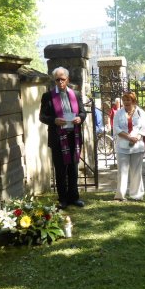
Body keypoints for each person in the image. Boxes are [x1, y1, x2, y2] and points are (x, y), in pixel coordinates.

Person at [39, 66, 86, 210]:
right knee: (60, 170)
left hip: (74, 136)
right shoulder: (48, 96)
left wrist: (79, 118)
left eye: (62, 79)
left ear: (68, 80)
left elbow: (83, 112)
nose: (60, 82)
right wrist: (54, 120)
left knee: (73, 168)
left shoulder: (76, 94)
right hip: (58, 137)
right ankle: (63, 199)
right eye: (57, 79)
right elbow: (42, 116)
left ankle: (74, 197)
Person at [113, 92, 145, 201]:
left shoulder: (141, 112)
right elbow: (116, 128)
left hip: (137, 147)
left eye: (128, 100)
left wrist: (137, 137)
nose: (126, 102)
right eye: (124, 100)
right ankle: (120, 195)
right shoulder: (118, 113)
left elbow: (144, 128)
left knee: (136, 172)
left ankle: (136, 195)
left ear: (134, 101)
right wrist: (129, 138)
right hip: (122, 146)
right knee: (122, 172)